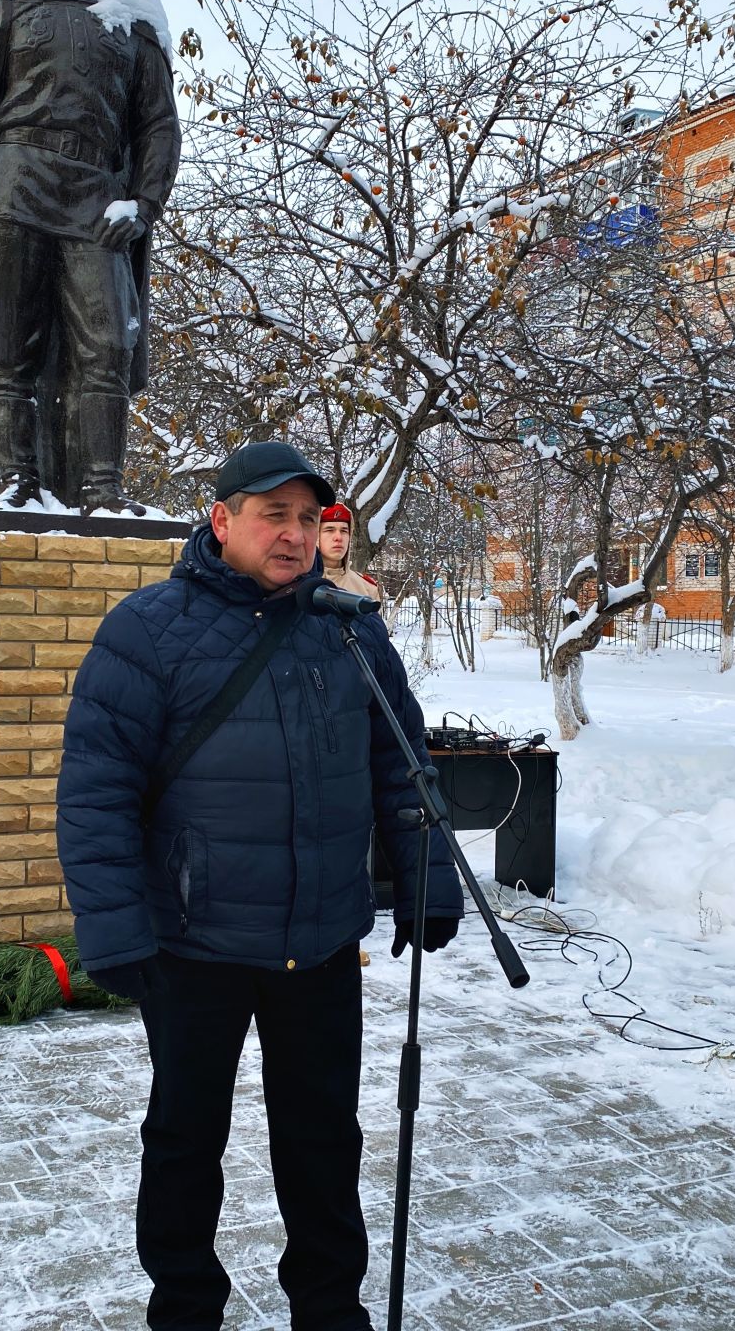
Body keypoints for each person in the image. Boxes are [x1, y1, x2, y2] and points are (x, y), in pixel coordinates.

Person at [57, 440, 464, 1331]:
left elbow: (403, 770)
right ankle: (184, 1303)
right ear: (222, 521)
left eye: (307, 518)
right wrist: (116, 927)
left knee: (323, 1140)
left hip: (318, 939)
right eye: (271, 514)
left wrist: (428, 882)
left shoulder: (352, 630)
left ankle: (327, 1305)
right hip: (193, 942)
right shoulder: (148, 628)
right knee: (183, 1138)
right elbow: (96, 790)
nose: (292, 535)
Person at [0, 0, 181, 508]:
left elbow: (158, 125)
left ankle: (103, 490)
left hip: (97, 196)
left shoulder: (127, 15)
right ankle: (20, 487)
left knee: (107, 345)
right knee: (8, 350)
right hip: (13, 181)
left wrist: (145, 205)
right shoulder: (7, 0)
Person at [317, 503, 382, 601]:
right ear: (316, 535)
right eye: (329, 530)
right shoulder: (296, 585)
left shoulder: (367, 588)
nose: (338, 537)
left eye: (344, 531)